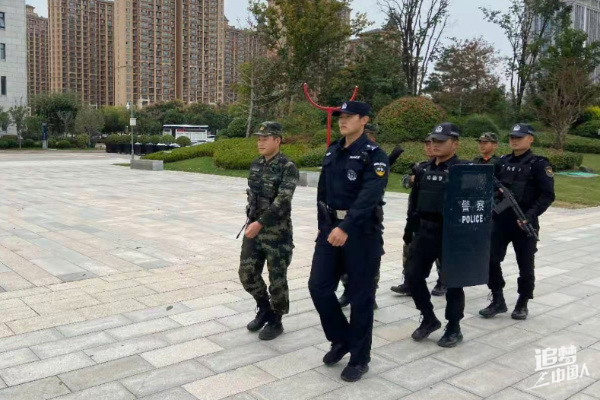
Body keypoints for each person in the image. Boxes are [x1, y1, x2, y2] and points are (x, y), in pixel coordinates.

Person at [309, 101, 389, 382]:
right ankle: (341, 339)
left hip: (361, 233)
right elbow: (322, 192)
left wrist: (346, 226)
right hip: (331, 229)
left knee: (360, 297)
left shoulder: (374, 155)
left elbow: (370, 196)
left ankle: (360, 358)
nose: (343, 121)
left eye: (349, 116)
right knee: (318, 287)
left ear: (364, 120)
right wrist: (325, 226)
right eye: (340, 116)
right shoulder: (333, 150)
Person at [479, 123, 555, 320]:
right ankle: (497, 299)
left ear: (530, 139)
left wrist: (530, 216)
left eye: (519, 137)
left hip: (524, 222)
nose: (514, 140)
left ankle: (523, 302)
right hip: (501, 221)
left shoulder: (538, 164)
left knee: (525, 265)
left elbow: (547, 195)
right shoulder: (502, 161)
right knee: (490, 259)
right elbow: (488, 183)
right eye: (512, 137)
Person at [405, 122, 466, 348]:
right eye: (433, 141)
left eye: (441, 141)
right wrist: (409, 230)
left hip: (451, 233)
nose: (435, 145)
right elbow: (415, 202)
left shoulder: (464, 169)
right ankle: (429, 318)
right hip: (425, 230)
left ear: (455, 144)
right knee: (412, 275)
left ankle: (454, 327)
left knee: (453, 282)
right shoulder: (423, 169)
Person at [239, 121, 299, 341]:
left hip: (277, 233)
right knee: (246, 274)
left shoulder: (287, 166)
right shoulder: (256, 164)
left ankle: (276, 319)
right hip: (254, 228)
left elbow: (283, 200)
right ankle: (264, 308)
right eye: (259, 139)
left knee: (277, 279)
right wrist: (252, 220)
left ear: (277, 140)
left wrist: (260, 223)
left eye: (265, 139)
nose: (260, 142)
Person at [338, 123, 401, 310]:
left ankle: (370, 294)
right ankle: (348, 290)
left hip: (369, 217)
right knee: (343, 256)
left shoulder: (377, 158)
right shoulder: (347, 155)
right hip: (347, 214)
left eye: (368, 135)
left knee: (371, 257)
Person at [391, 135, 444, 297]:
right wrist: (412, 178)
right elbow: (405, 182)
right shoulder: (421, 167)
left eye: (432, 144)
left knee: (441, 253)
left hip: (438, 218)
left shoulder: (448, 168)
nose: (429, 147)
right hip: (417, 216)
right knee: (411, 249)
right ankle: (408, 282)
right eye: (426, 144)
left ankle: (443, 281)